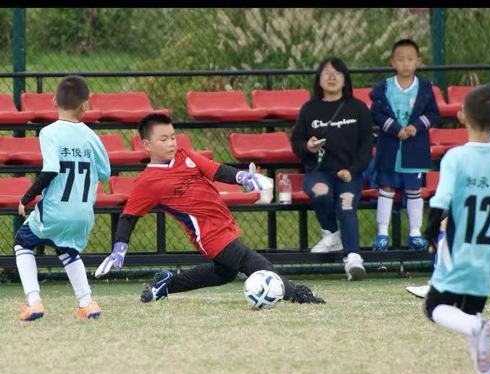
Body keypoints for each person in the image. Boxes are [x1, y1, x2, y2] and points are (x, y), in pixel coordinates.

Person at [95, 113, 325, 305]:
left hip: (224, 225)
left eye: (173, 137)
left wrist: (242, 177)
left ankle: (168, 283)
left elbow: (216, 170)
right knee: (255, 263)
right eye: (163, 139)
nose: (171, 143)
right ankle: (298, 294)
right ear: (147, 145)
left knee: (224, 273)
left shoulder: (185, 156)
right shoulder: (147, 182)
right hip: (209, 235)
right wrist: (119, 247)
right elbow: (129, 216)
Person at [421, 84, 490, 374]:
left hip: (459, 247)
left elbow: (441, 201)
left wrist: (430, 235)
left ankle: (478, 330)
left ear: (462, 116)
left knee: (435, 308)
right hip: (489, 250)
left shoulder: (455, 157)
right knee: (471, 313)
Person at [14, 75, 111, 321]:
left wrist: (26, 198)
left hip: (56, 210)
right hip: (82, 213)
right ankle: (87, 303)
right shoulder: (92, 137)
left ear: (54, 101)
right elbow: (105, 173)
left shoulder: (49, 132)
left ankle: (34, 301)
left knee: (22, 242)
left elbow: (50, 170)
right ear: (86, 105)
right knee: (67, 250)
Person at [290, 57, 374, 281]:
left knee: (346, 206)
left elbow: (367, 146)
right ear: (319, 79)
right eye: (326, 72)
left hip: (348, 174)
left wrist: (353, 170)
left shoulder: (358, 108)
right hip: (319, 172)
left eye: (337, 73)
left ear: (345, 79)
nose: (331, 77)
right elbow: (297, 142)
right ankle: (331, 234)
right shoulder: (309, 109)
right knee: (321, 193)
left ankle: (353, 258)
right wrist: (308, 146)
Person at [370, 38, 440, 252]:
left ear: (418, 61)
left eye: (410, 59)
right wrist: (394, 128)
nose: (406, 64)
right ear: (392, 62)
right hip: (389, 148)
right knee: (386, 188)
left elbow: (433, 114)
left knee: (414, 189)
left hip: (415, 149)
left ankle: (415, 233)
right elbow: (377, 113)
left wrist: (415, 127)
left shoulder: (425, 87)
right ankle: (382, 233)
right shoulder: (383, 87)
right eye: (400, 59)